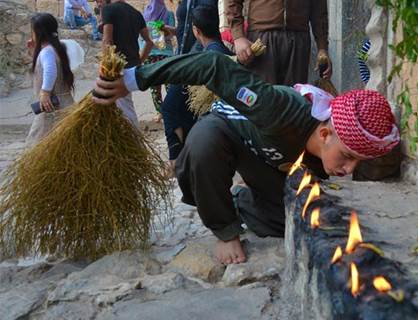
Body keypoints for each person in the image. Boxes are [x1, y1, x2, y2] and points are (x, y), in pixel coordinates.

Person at [92, 52, 400, 265]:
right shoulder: (278, 108)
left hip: (266, 160)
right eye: (348, 157)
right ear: (324, 135)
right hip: (228, 135)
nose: (348, 169)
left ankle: (239, 201)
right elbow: (213, 66)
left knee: (292, 221)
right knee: (203, 145)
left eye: (358, 162)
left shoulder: (323, 158)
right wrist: (135, 78)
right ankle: (224, 227)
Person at [159, 4, 229, 176]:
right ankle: (182, 160)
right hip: (190, 59)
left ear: (196, 31)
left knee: (170, 107)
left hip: (191, 62)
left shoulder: (205, 56)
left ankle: (176, 160)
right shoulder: (219, 51)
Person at [225, 0, 331, 86]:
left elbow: (319, 9)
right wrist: (238, 37)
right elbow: (232, 2)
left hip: (298, 41)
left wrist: (322, 48)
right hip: (261, 40)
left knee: (294, 100)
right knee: (263, 99)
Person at [101, 0, 153, 127]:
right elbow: (149, 42)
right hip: (132, 66)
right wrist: (139, 60)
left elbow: (108, 42)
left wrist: (106, 67)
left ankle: (135, 140)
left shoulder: (108, 10)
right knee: (122, 106)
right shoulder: (136, 13)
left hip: (116, 67)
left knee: (125, 110)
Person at [26, 13, 75, 146]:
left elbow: (50, 71)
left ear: (38, 32)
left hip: (51, 105)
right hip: (64, 102)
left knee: (36, 142)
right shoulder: (56, 48)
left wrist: (45, 92)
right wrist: (33, 51)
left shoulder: (46, 51)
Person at [141, 0, 176, 123]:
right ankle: (160, 112)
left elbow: (172, 34)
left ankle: (171, 110)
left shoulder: (169, 15)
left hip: (165, 53)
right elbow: (141, 36)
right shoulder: (144, 16)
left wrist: (163, 28)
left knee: (169, 85)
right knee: (155, 87)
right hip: (151, 54)